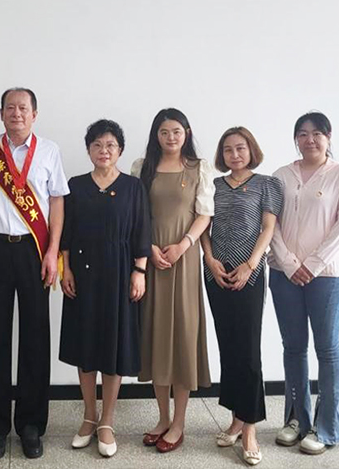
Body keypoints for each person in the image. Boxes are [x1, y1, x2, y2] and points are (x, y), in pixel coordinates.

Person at [0, 88, 69, 460]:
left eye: (23, 108)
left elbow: (57, 201)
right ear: (1, 113)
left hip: (34, 249)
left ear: (34, 114)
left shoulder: (49, 151)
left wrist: (53, 251)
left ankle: (31, 426)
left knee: (35, 338)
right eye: (10, 107)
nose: (16, 113)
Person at [269, 112, 339, 455]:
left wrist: (313, 264)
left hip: (327, 276)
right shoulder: (281, 175)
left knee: (327, 349)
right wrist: (291, 264)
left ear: (328, 136)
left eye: (317, 133)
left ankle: (326, 429)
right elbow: (271, 225)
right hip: (285, 275)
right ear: (296, 139)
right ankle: (297, 420)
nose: (310, 140)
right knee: (293, 348)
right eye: (303, 134)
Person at [59, 119, 150, 458]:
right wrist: (65, 269)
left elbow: (142, 230)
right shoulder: (75, 185)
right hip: (82, 274)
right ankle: (88, 416)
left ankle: (107, 421)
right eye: (97, 145)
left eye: (110, 145)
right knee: (85, 345)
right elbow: (66, 232)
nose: (104, 150)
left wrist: (139, 271)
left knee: (113, 347)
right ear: (88, 150)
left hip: (120, 272)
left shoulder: (133, 187)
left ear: (120, 150)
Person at [199, 127, 283, 466]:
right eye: (228, 150)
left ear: (251, 150)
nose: (234, 155)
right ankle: (235, 418)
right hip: (216, 273)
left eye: (240, 148)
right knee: (228, 346)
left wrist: (251, 264)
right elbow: (204, 226)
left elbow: (268, 228)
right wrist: (209, 259)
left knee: (248, 349)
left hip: (250, 273)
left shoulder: (267, 184)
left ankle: (249, 428)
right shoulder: (213, 185)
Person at [133, 108, 214, 453]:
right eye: (164, 132)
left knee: (181, 336)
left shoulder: (199, 168)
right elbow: (136, 213)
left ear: (187, 133)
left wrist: (183, 245)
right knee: (156, 336)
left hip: (184, 259)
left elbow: (204, 214)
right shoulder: (142, 167)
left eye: (176, 131)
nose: (170, 137)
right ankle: (162, 418)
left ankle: (179, 422)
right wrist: (149, 248)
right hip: (150, 260)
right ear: (156, 134)